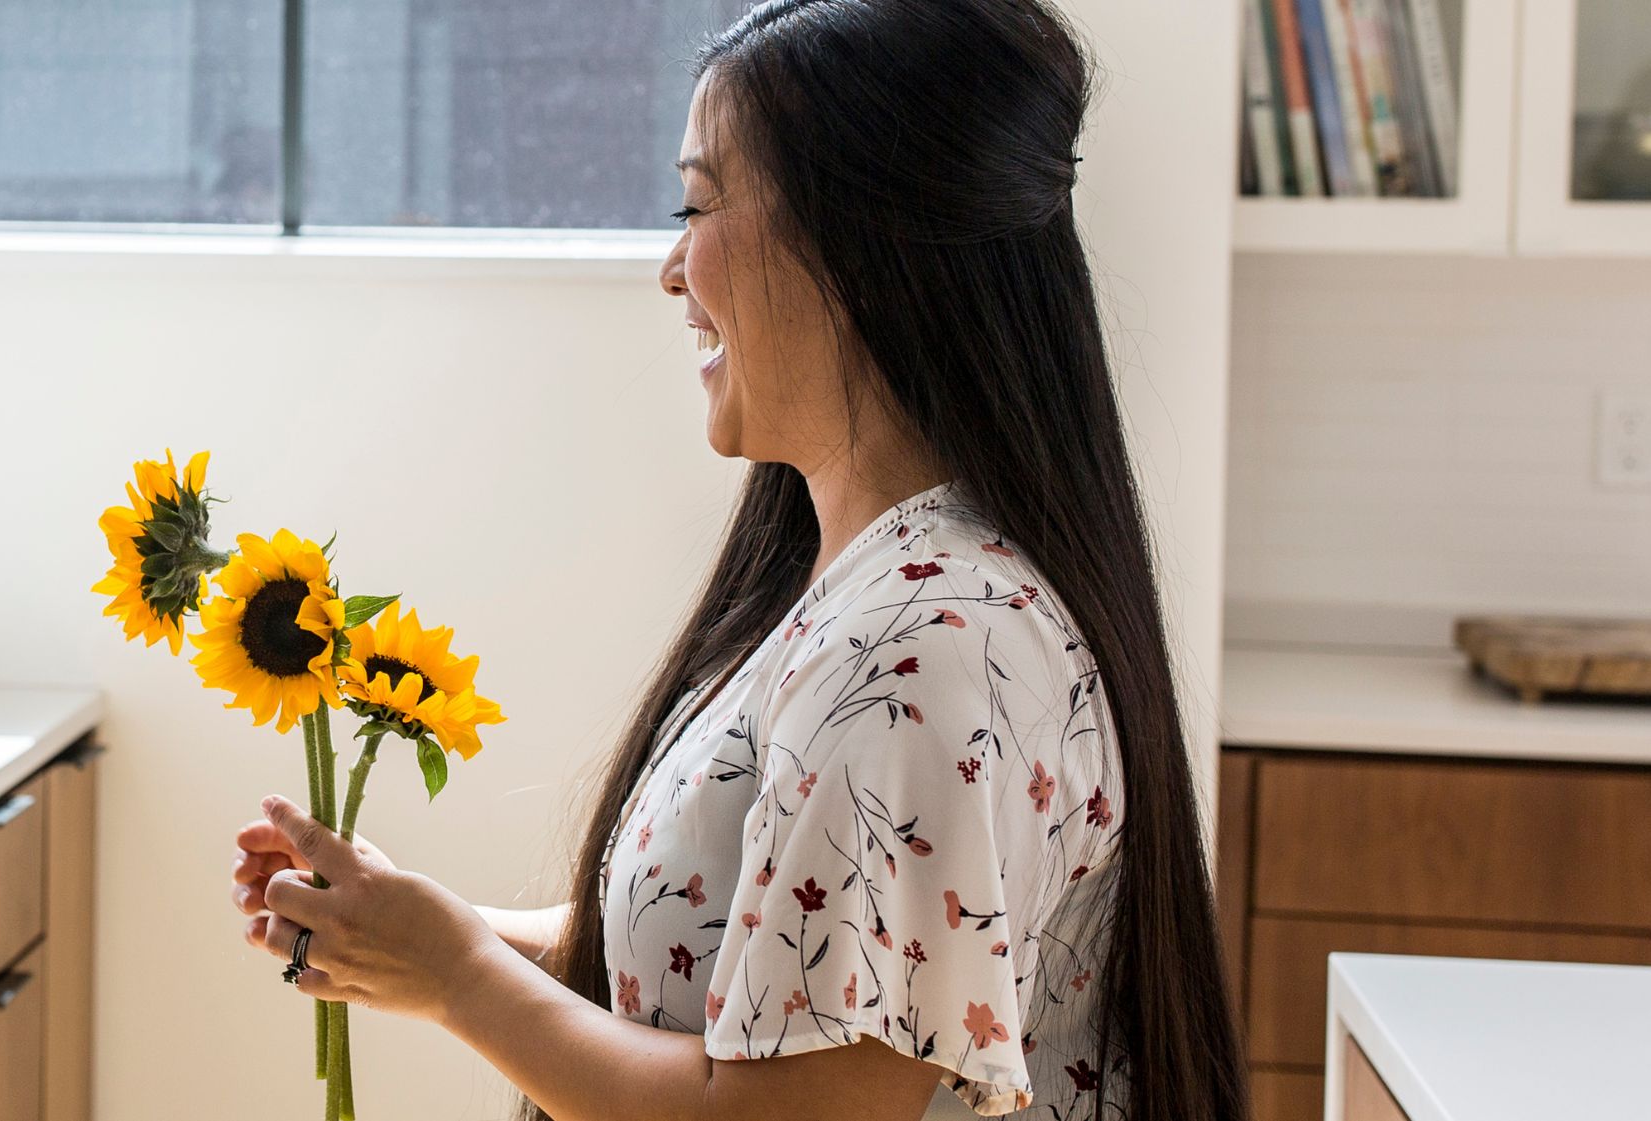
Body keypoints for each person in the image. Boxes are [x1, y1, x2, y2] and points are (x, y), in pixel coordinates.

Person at [230, 1, 1245, 1117]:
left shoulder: (922, 650)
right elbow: (731, 950)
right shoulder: (875, 592)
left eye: (699, 203)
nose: (672, 268)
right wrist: (410, 933)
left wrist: (457, 977)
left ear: (858, 243)